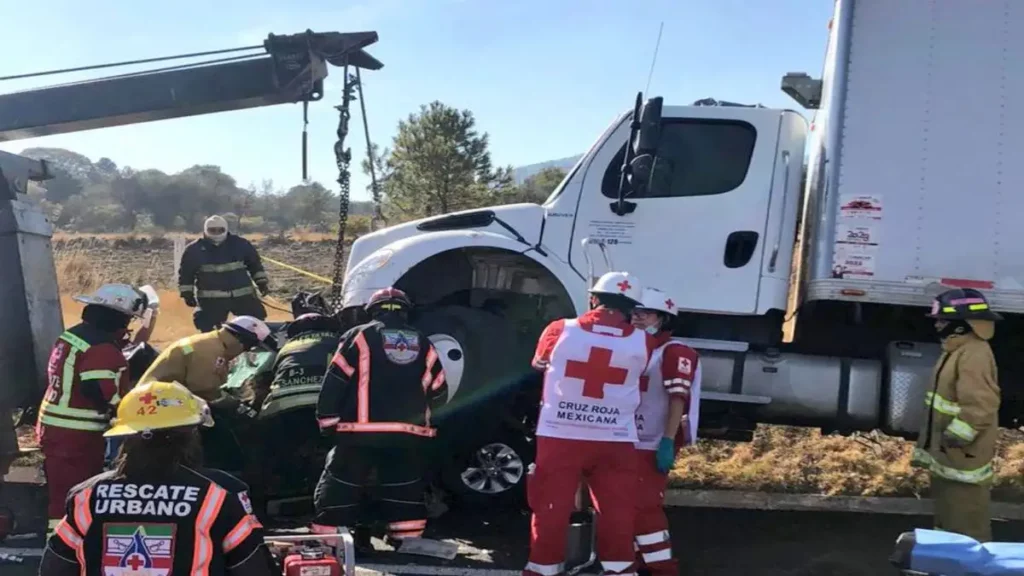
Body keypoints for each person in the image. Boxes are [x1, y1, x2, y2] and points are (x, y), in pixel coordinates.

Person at [38, 380, 275, 576]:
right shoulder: (218, 497)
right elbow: (254, 569)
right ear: (191, 434)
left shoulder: (87, 496)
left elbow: (55, 567)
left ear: (126, 437)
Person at [525, 271, 655, 576]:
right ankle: (621, 570)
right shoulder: (644, 342)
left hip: (561, 434)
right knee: (617, 512)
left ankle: (542, 570)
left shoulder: (560, 329)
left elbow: (539, 364)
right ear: (632, 308)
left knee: (551, 509)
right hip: (616, 438)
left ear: (593, 298)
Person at [313, 287, 448, 548]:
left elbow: (336, 380)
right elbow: (439, 389)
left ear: (372, 310)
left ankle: (329, 539)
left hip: (359, 433)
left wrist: (327, 421)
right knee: (404, 487)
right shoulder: (423, 341)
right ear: (406, 312)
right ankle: (407, 540)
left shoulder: (359, 336)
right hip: (408, 436)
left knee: (342, 484)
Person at [36, 284, 149, 534]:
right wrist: (122, 412)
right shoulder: (102, 348)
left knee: (62, 489)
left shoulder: (73, 336)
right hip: (77, 435)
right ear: (116, 317)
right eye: (128, 318)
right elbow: (97, 390)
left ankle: (62, 543)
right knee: (74, 492)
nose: (128, 325)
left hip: (57, 427)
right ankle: (64, 546)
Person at [911, 287, 1002, 542]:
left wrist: (957, 436)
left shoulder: (974, 354)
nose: (938, 325)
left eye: (943, 320)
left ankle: (970, 565)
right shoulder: (957, 349)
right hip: (950, 453)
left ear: (961, 326)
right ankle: (949, 561)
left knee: (966, 519)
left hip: (963, 453)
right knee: (949, 516)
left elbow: (981, 405)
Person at [629, 287, 701, 576]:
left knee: (644, 507)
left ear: (662, 318)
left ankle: (662, 568)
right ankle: (632, 561)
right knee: (624, 505)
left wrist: (667, 441)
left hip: (653, 441)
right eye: (633, 312)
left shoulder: (674, 352)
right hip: (628, 439)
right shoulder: (635, 347)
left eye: (643, 313)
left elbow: (677, 399)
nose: (636, 318)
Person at [179, 215, 271, 332]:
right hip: (211, 301)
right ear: (206, 230)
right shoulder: (194, 249)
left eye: (220, 230)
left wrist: (262, 283)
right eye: (212, 230)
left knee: (256, 326)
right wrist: (187, 293)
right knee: (208, 332)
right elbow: (186, 273)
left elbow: (255, 265)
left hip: (243, 297)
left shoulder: (241, 244)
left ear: (226, 229)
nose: (217, 233)